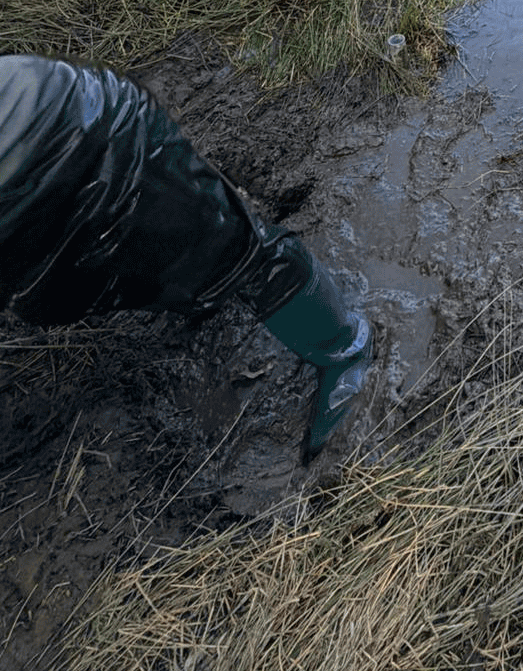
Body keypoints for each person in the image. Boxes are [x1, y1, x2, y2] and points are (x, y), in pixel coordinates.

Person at [0, 54, 373, 461]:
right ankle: (192, 287)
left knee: (237, 254)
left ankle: (343, 348)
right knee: (98, 287)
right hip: (22, 218)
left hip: (82, 141)